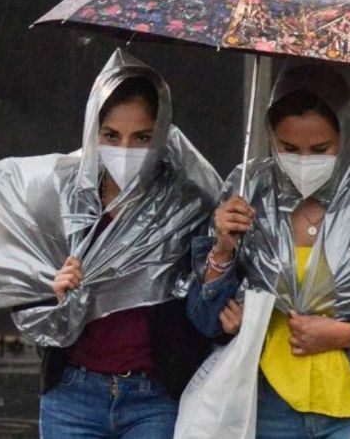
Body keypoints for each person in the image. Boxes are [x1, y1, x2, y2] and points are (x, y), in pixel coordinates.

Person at [186, 63, 350, 439]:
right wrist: (223, 249)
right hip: (273, 404)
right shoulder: (250, 189)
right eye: (288, 148)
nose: (303, 161)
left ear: (349, 135)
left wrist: (348, 334)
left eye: (320, 149)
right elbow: (205, 319)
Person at [37, 51, 220, 438]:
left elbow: (204, 312)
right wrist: (52, 290)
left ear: (162, 134)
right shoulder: (66, 201)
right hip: (72, 397)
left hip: (155, 399)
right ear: (93, 133)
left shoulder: (187, 207)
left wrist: (221, 259)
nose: (124, 150)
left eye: (142, 138)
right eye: (111, 136)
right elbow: (28, 302)